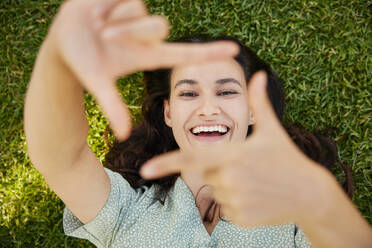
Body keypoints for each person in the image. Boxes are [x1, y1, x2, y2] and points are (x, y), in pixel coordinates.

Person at [24, 0, 372, 247]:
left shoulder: (297, 218)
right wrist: (59, 61)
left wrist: (321, 201)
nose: (208, 108)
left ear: (254, 110)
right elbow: (60, 158)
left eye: (226, 92)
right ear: (169, 113)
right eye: (189, 94)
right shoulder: (127, 212)